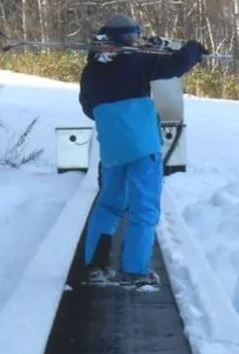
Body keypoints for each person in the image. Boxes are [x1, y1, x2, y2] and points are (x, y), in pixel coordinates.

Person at [79, 15, 208, 286]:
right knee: (144, 209)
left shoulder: (90, 70)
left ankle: (97, 266)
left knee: (109, 205)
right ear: (126, 36)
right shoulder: (136, 60)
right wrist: (193, 50)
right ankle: (135, 271)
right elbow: (175, 65)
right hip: (143, 148)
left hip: (112, 150)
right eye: (135, 35)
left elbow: (89, 109)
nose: (137, 40)